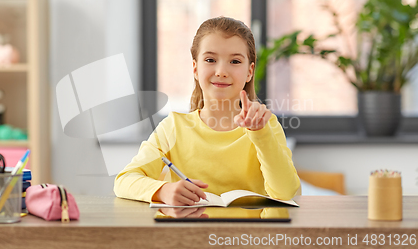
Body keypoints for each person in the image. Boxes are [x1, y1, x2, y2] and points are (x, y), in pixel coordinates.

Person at [114, 16, 300, 206]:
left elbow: (285, 192)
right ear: (195, 68)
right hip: (188, 233)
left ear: (249, 72)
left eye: (235, 61)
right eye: (210, 59)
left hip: (248, 234)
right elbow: (124, 180)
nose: (221, 71)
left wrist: (261, 134)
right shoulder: (174, 127)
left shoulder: (266, 126)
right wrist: (163, 191)